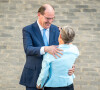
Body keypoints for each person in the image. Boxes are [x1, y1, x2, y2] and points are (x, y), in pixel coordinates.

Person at [19, 4, 75, 90]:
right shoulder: (28, 29)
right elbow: (28, 49)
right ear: (39, 15)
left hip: (53, 78)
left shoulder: (57, 29)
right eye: (48, 18)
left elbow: (64, 50)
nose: (50, 21)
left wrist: (71, 65)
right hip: (34, 76)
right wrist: (46, 49)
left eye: (52, 18)